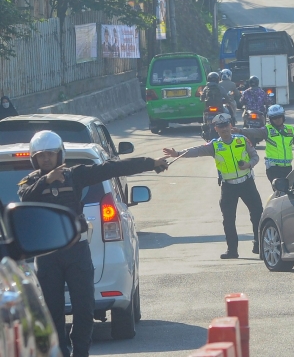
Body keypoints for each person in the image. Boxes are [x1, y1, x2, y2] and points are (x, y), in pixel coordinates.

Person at [18, 130, 168, 357]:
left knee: (85, 309)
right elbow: (24, 196)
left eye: (50, 154)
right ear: (34, 158)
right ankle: (60, 351)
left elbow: (113, 168)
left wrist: (151, 163)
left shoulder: (75, 175)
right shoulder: (30, 182)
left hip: (76, 251)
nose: (46, 159)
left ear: (60, 155)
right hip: (47, 256)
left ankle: (80, 352)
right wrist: (46, 180)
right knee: (52, 311)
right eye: (41, 155)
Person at [163, 113, 264, 259]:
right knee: (228, 219)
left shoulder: (242, 140)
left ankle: (259, 245)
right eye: (220, 127)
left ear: (231, 125)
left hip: (247, 183)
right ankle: (232, 250)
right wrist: (178, 153)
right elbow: (196, 151)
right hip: (228, 186)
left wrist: (249, 164)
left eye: (226, 125)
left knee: (257, 214)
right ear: (216, 128)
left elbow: (255, 156)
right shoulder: (215, 145)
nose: (224, 129)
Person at [231, 104, 294, 185]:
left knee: (287, 191)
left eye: (279, 116)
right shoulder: (267, 130)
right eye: (274, 118)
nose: (277, 119)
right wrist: (240, 131)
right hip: (273, 168)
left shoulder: (290, 129)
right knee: (280, 190)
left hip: (288, 167)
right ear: (270, 119)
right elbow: (254, 131)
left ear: (283, 116)